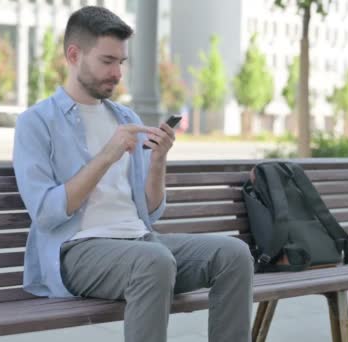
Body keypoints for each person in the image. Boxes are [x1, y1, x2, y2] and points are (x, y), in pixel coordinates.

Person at [13, 6, 253, 342]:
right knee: (152, 261)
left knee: (233, 255)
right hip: (77, 250)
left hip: (140, 242)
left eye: (121, 62)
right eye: (107, 61)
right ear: (73, 55)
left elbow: (151, 211)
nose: (117, 73)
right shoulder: (36, 122)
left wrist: (158, 161)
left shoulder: (124, 116)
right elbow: (45, 213)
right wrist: (107, 155)